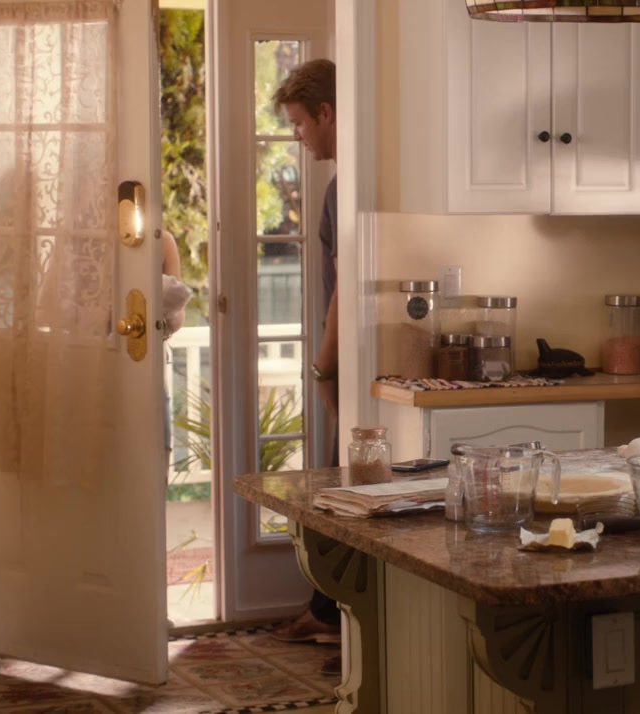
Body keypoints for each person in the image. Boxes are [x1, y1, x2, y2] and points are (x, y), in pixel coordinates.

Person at [268, 58, 342, 644]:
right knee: (343, 489)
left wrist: (324, 366)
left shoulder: (346, 188)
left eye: (299, 122)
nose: (297, 135)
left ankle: (336, 617)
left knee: (344, 492)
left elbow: (344, 289)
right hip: (346, 356)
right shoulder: (343, 184)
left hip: (345, 360)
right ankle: (331, 613)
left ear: (326, 112)